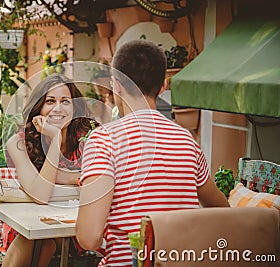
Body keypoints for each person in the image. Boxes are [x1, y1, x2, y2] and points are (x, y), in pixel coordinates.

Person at [75, 40, 230, 266]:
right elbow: (222, 211)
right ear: (163, 86)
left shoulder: (104, 139)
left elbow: (88, 238)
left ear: (116, 85)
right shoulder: (187, 139)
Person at [3, 74, 96, 267]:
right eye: (50, 101)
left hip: (73, 228)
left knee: (46, 242)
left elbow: (98, 180)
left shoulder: (88, 139)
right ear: (38, 108)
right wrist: (55, 140)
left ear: (75, 108)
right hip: (29, 227)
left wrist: (61, 176)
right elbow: (40, 195)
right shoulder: (19, 143)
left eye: (65, 102)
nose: (58, 108)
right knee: (40, 242)